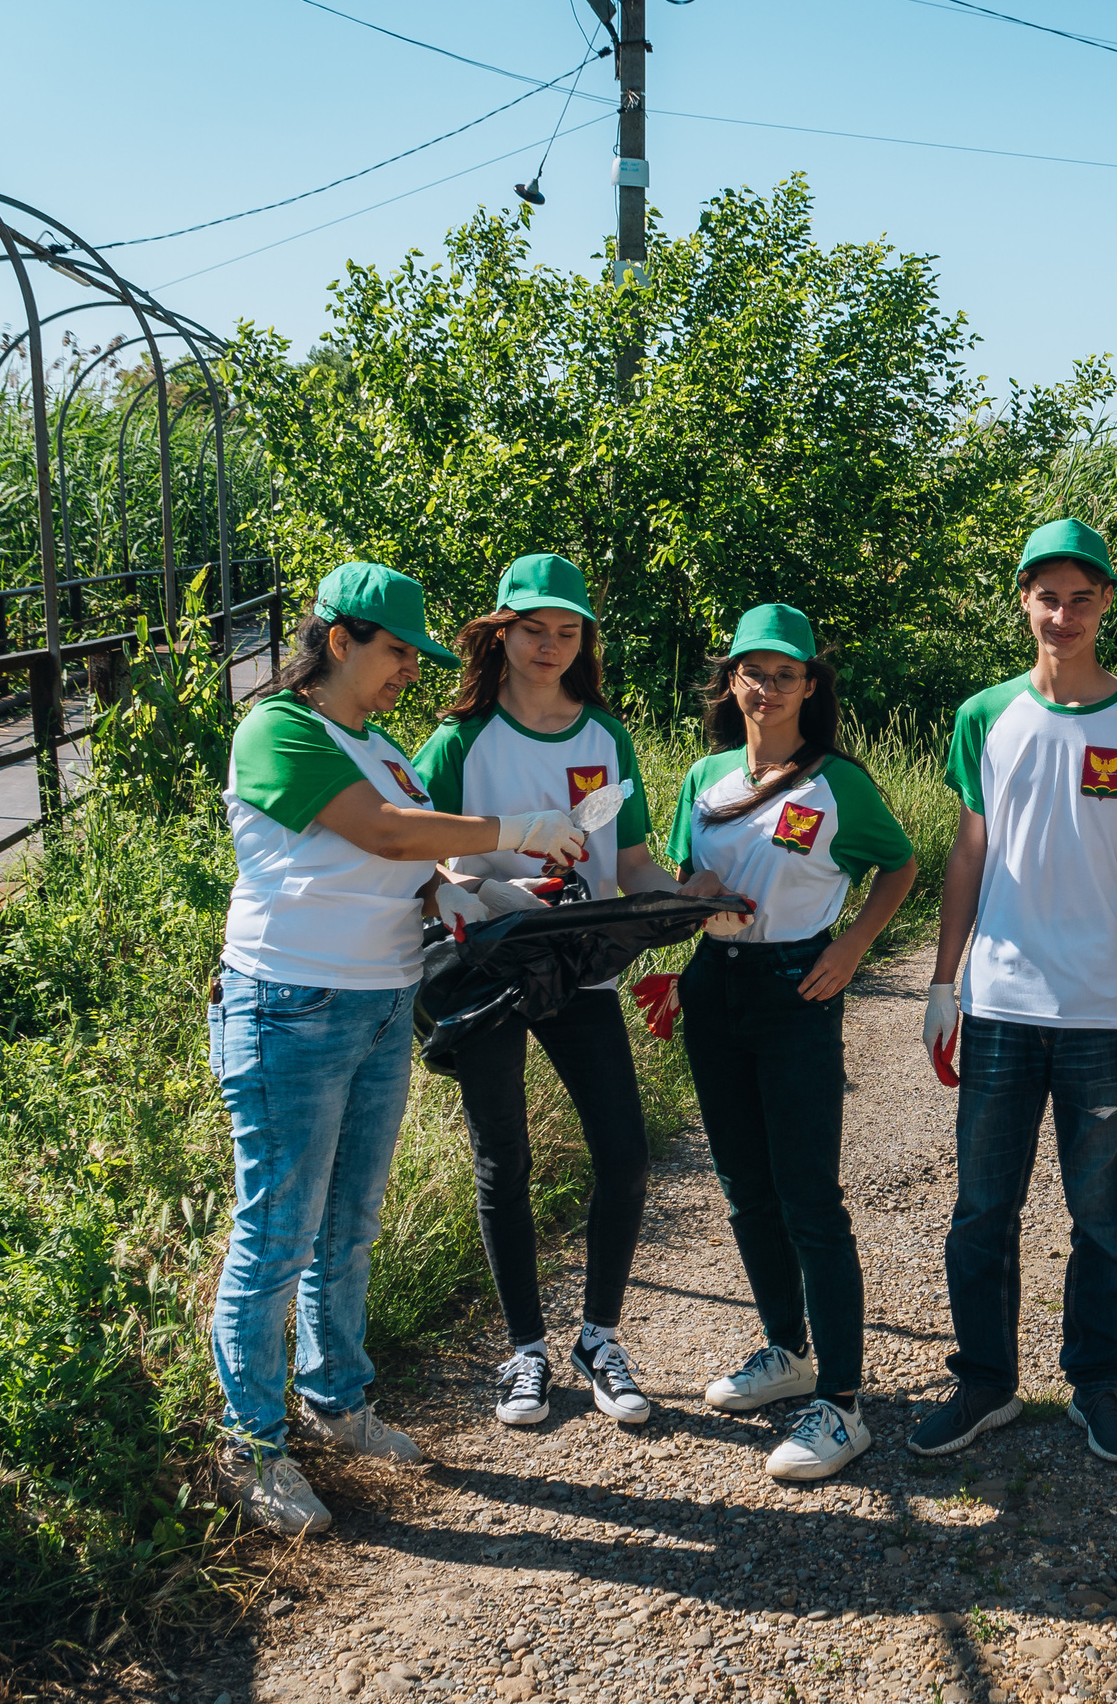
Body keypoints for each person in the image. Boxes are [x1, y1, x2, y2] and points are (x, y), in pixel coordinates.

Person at [210, 561, 588, 1535]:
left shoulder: (384, 748)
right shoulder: (280, 729)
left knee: (351, 1222)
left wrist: (460, 889)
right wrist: (518, 827)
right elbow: (379, 833)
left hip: (382, 1003)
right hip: (290, 1004)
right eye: (395, 655)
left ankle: (335, 1398)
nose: (409, 675)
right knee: (276, 1232)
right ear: (339, 639)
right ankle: (249, 1444)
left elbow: (414, 854)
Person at [912, 518, 1117, 1466]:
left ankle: (1096, 1384)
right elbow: (969, 849)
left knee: (1104, 1217)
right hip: (998, 1003)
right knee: (982, 1210)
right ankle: (985, 1382)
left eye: (1081, 597)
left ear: (1106, 602)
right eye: (1047, 596)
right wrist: (943, 981)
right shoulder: (984, 714)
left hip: (1104, 1009)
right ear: (1023, 600)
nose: (1063, 613)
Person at [641, 603, 917, 1481]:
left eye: (786, 674)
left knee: (808, 1196)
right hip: (717, 983)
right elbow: (692, 876)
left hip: (800, 983)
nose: (767, 687)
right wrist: (694, 898)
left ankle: (841, 1401)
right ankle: (783, 1350)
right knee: (743, 1187)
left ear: (810, 686)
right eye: (752, 672)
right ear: (732, 681)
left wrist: (852, 943)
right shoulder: (705, 776)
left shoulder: (837, 780)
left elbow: (899, 862)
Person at [413, 553, 687, 1432]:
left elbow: (634, 860)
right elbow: (421, 853)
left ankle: (598, 1338)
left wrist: (691, 903)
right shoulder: (459, 740)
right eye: (534, 628)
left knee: (625, 1152)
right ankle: (524, 1348)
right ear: (500, 632)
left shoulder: (605, 738)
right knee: (505, 1159)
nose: (551, 645)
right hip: (489, 970)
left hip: (581, 969)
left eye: (568, 630)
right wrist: (476, 881)